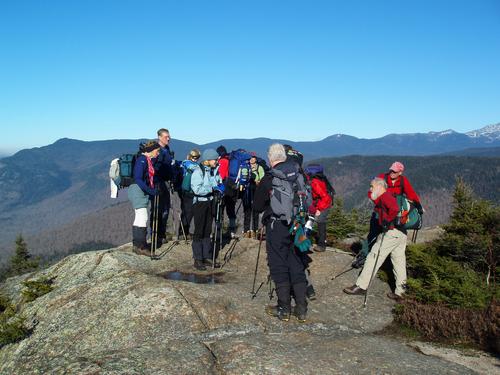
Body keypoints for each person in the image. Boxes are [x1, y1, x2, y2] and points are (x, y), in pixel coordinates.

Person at [254, 143, 309, 323]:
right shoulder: (298, 173)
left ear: (270, 158)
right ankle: (301, 308)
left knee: (278, 264)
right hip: (297, 224)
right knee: (295, 262)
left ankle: (283, 308)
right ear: (284, 157)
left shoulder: (270, 177)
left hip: (277, 225)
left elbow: (257, 206)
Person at [343, 177, 408, 300]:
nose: (370, 189)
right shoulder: (383, 196)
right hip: (401, 233)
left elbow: (394, 209)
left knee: (374, 256)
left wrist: (387, 221)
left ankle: (361, 286)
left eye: (372, 186)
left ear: (379, 187)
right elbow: (372, 196)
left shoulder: (385, 197)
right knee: (399, 262)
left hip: (392, 232)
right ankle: (401, 292)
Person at [356, 161, 424, 268]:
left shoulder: (403, 181)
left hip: (393, 214)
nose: (392, 172)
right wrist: (381, 202)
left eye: (395, 171)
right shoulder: (382, 178)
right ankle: (363, 256)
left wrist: (418, 205)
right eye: (391, 170)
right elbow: (371, 193)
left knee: (392, 236)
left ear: (400, 172)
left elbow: (411, 193)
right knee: (373, 234)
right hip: (380, 212)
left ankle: (384, 259)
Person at [191, 149, 223, 270]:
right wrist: (212, 189)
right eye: (215, 159)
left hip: (210, 202)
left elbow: (218, 182)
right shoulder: (198, 172)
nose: (216, 161)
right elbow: (197, 189)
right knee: (199, 230)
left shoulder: (213, 171)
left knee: (207, 229)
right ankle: (198, 259)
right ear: (208, 160)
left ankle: (207, 256)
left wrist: (220, 187)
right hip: (200, 204)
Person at [127, 140, 161, 256]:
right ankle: (141, 246)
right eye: (157, 151)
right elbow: (138, 178)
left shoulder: (146, 160)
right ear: (151, 151)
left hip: (137, 190)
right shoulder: (142, 160)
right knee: (142, 216)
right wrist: (151, 191)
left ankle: (137, 245)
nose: (158, 153)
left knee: (139, 216)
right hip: (137, 190)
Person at [304, 165, 333, 252]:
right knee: (308, 221)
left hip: (323, 204)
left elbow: (325, 197)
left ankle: (321, 245)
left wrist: (319, 209)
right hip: (318, 203)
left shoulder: (315, 182)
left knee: (320, 221)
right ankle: (306, 244)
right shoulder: (315, 180)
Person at [153, 128, 175, 243]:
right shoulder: (156, 150)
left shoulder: (166, 148)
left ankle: (161, 234)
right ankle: (156, 234)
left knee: (165, 209)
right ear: (159, 137)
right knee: (158, 209)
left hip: (165, 181)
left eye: (169, 136)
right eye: (166, 137)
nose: (169, 138)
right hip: (158, 182)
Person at [242, 153, 265, 238]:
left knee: (255, 211)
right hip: (247, 190)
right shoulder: (245, 167)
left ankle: (255, 230)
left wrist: (258, 181)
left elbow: (262, 179)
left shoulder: (260, 168)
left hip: (256, 190)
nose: (252, 159)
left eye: (253, 158)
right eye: (250, 158)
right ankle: (246, 230)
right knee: (247, 211)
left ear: (256, 159)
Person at [179, 149, 201, 239]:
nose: (195, 159)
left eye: (197, 158)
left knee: (189, 212)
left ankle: (185, 231)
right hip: (188, 191)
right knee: (188, 212)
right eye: (194, 157)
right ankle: (183, 232)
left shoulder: (190, 163)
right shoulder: (187, 163)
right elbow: (191, 168)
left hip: (190, 191)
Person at [216, 145, 238, 237]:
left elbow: (221, 176)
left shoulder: (222, 161)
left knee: (220, 209)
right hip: (232, 188)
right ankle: (232, 230)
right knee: (231, 209)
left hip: (224, 187)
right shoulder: (230, 160)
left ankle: (218, 232)